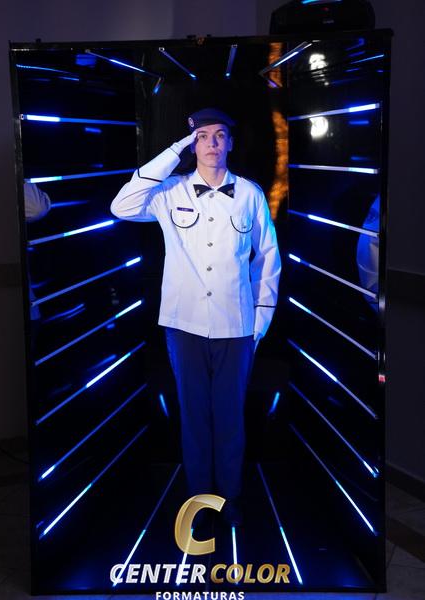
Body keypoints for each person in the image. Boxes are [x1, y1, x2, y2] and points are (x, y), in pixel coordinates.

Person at [111, 108, 281, 525]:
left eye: (220, 135)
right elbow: (121, 205)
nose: (212, 143)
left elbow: (268, 258)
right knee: (193, 415)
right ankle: (200, 499)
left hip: (236, 325)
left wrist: (260, 320)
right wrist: (174, 150)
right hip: (183, 324)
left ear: (231, 143)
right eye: (202, 136)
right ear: (192, 144)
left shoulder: (250, 193)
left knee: (230, 416)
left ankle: (230, 497)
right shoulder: (169, 191)